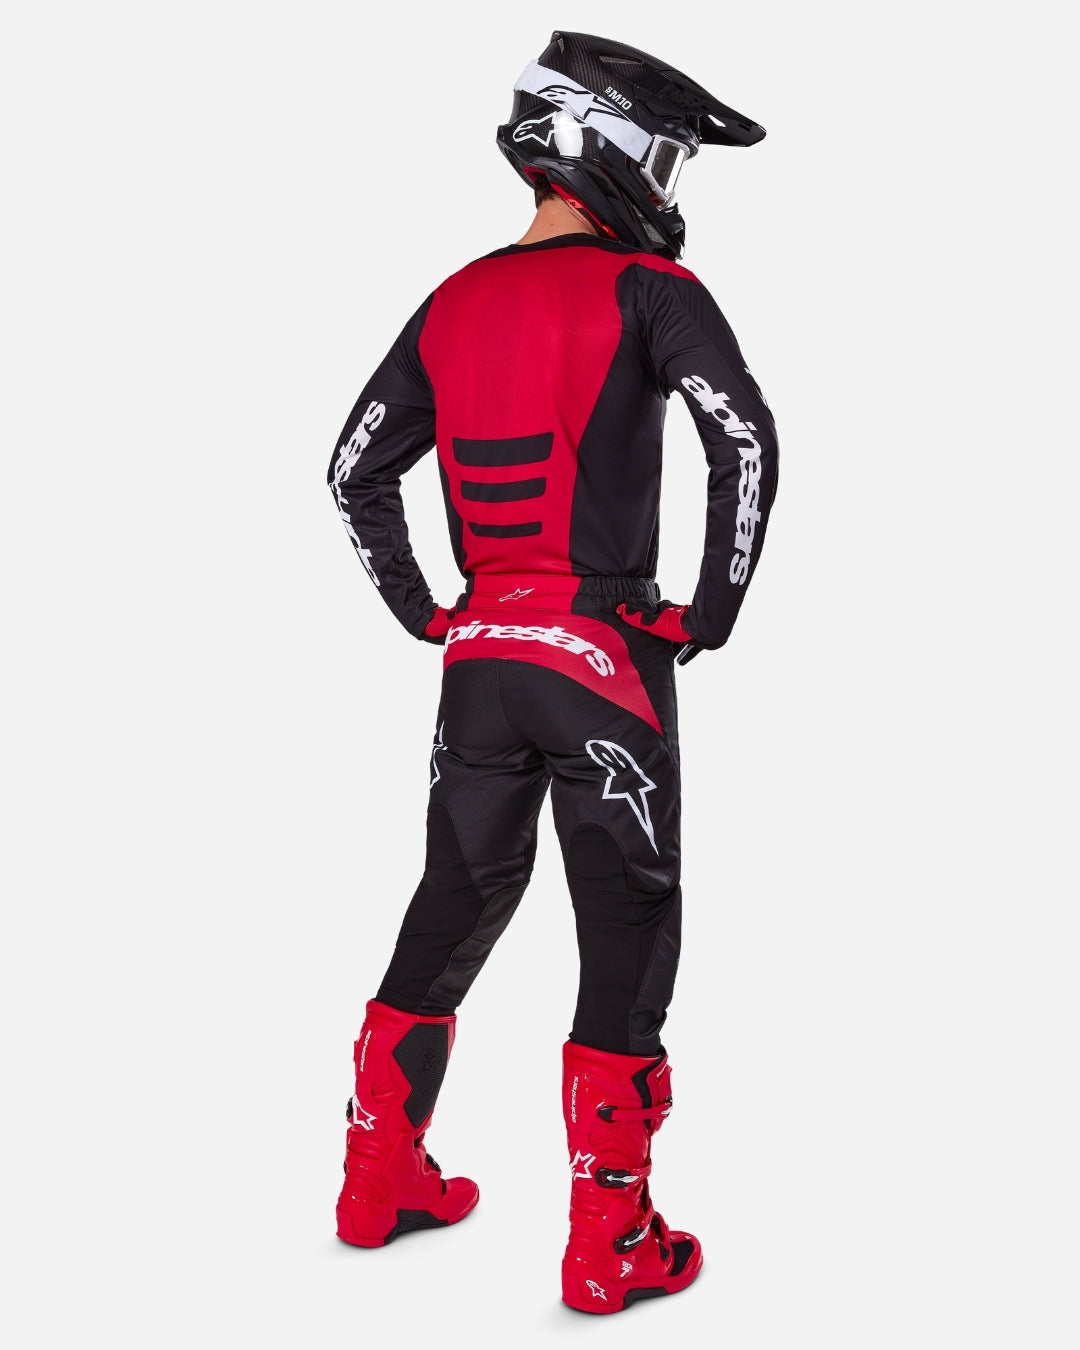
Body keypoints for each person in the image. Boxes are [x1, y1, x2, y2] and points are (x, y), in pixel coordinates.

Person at [327, 29, 778, 1315]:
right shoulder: (651, 290)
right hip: (605, 661)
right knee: (626, 919)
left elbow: (351, 470)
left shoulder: (451, 299)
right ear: (608, 145)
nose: (670, 185)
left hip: (480, 662)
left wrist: (427, 610)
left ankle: (377, 1177)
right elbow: (745, 438)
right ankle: (611, 1239)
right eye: (667, 156)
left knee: (455, 896)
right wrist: (712, 610)